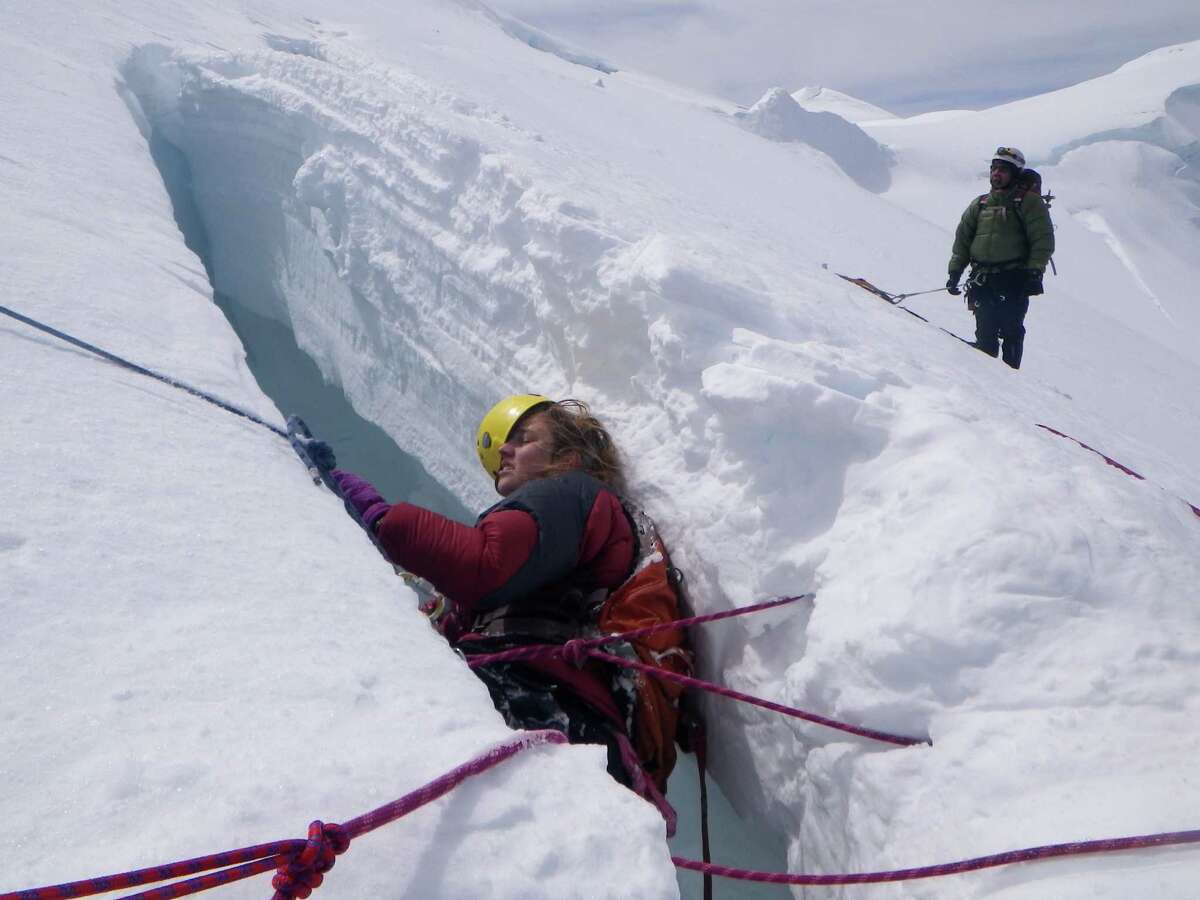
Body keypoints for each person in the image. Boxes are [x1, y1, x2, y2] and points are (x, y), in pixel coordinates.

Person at [329, 395, 648, 786]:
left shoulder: (570, 491)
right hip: (556, 710)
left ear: (569, 458)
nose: (504, 449)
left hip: (537, 697)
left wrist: (381, 519)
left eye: (524, 439)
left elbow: (484, 564)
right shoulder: (556, 527)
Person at [946, 146, 1054, 369]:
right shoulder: (980, 204)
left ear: (1014, 174)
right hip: (982, 279)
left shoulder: (1028, 202)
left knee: (1011, 330)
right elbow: (963, 241)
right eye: (994, 168)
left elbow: (1042, 240)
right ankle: (990, 380)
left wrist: (1035, 271)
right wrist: (955, 271)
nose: (997, 173)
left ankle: (1010, 378)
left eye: (1003, 169)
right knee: (985, 331)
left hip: (1014, 279)